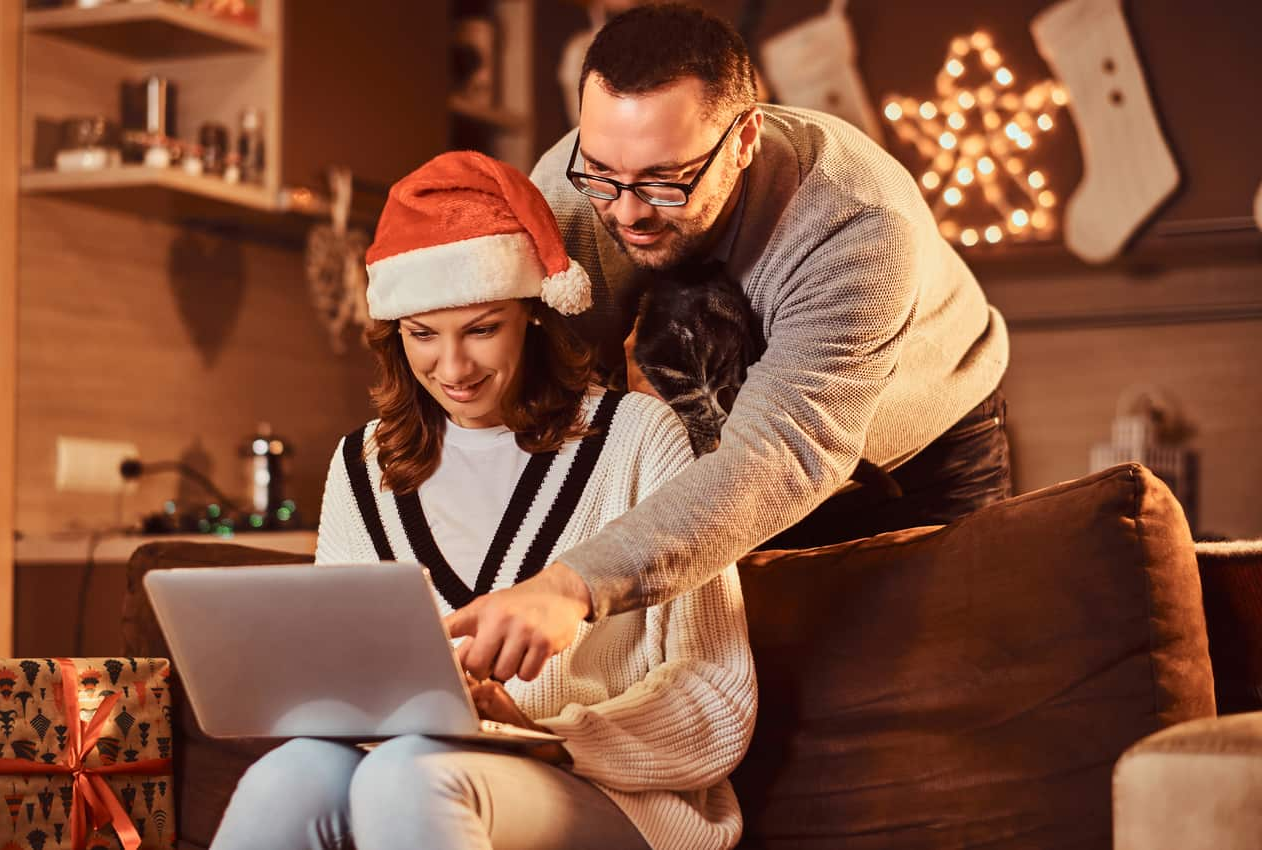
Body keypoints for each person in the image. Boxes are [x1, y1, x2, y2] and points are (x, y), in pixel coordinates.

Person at [447, 2, 1012, 683]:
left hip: (911, 464)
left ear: (744, 139)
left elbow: (784, 453)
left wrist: (573, 585)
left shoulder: (856, 220)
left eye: (665, 179)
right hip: (710, 464)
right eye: (600, 172)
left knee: (922, 702)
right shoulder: (567, 192)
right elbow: (529, 391)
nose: (627, 211)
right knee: (737, 701)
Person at [209, 151, 756, 850]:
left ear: (532, 314)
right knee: (289, 774)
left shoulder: (638, 438)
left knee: (410, 773)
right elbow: (349, 674)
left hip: (616, 797)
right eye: (422, 336)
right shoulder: (363, 465)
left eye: (481, 328)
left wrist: (543, 736)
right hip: (419, 768)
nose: (454, 368)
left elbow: (717, 697)